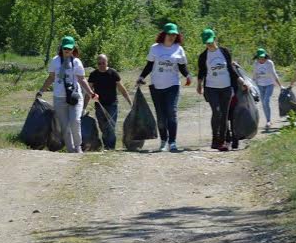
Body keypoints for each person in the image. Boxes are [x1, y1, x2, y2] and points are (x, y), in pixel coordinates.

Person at [36, 36, 97, 153]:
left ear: (73, 48)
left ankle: (78, 147)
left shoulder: (77, 62)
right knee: (64, 126)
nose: (67, 50)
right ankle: (70, 149)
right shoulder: (55, 61)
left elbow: (82, 79)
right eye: (65, 48)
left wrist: (91, 93)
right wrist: (41, 91)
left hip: (75, 97)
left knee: (75, 121)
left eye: (69, 48)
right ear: (61, 48)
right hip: (59, 98)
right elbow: (51, 77)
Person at [136, 22, 191, 152]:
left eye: (174, 34)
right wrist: (141, 77)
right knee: (161, 116)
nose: (172, 36)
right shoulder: (155, 48)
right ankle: (163, 141)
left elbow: (182, 66)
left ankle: (172, 142)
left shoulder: (179, 49)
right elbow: (149, 65)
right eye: (170, 34)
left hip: (173, 85)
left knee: (171, 112)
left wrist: (188, 75)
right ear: (164, 34)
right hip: (156, 86)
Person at [196, 28, 240, 152]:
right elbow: (201, 72)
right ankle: (215, 138)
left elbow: (231, 69)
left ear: (215, 39)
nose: (209, 44)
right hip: (211, 88)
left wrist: (240, 81)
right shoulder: (203, 56)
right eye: (207, 42)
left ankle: (223, 141)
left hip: (226, 88)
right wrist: (199, 85)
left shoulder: (224, 52)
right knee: (217, 112)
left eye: (211, 41)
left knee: (224, 115)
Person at [87, 54, 132, 150]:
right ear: (97, 64)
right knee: (103, 127)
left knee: (110, 127)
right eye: (99, 63)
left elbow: (122, 89)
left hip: (112, 105)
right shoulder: (93, 75)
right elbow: (88, 92)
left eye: (103, 63)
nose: (101, 65)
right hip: (99, 105)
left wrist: (130, 103)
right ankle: (106, 146)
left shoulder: (113, 73)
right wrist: (83, 107)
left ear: (107, 62)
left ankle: (110, 147)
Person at [252, 48, 283, 130]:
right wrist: (251, 85)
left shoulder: (269, 63)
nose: (261, 59)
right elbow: (254, 76)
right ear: (257, 57)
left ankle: (268, 121)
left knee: (266, 100)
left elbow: (274, 74)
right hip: (260, 85)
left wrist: (280, 86)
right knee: (263, 103)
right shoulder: (255, 64)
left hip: (269, 84)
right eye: (259, 58)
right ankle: (267, 120)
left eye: (263, 57)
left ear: (265, 56)